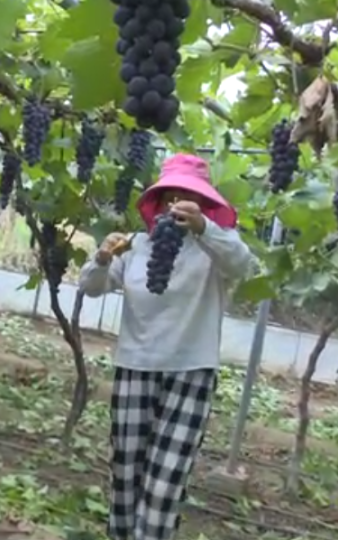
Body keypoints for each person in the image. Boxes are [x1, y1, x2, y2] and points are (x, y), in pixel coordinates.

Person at [78, 153, 257, 540]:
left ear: (204, 206)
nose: (175, 205)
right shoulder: (137, 246)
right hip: (134, 369)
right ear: (156, 204)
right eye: (169, 197)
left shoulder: (215, 249)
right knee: (126, 477)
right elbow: (90, 287)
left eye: (187, 197)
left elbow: (245, 266)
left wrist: (205, 228)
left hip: (190, 374)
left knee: (164, 487)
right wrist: (102, 257)